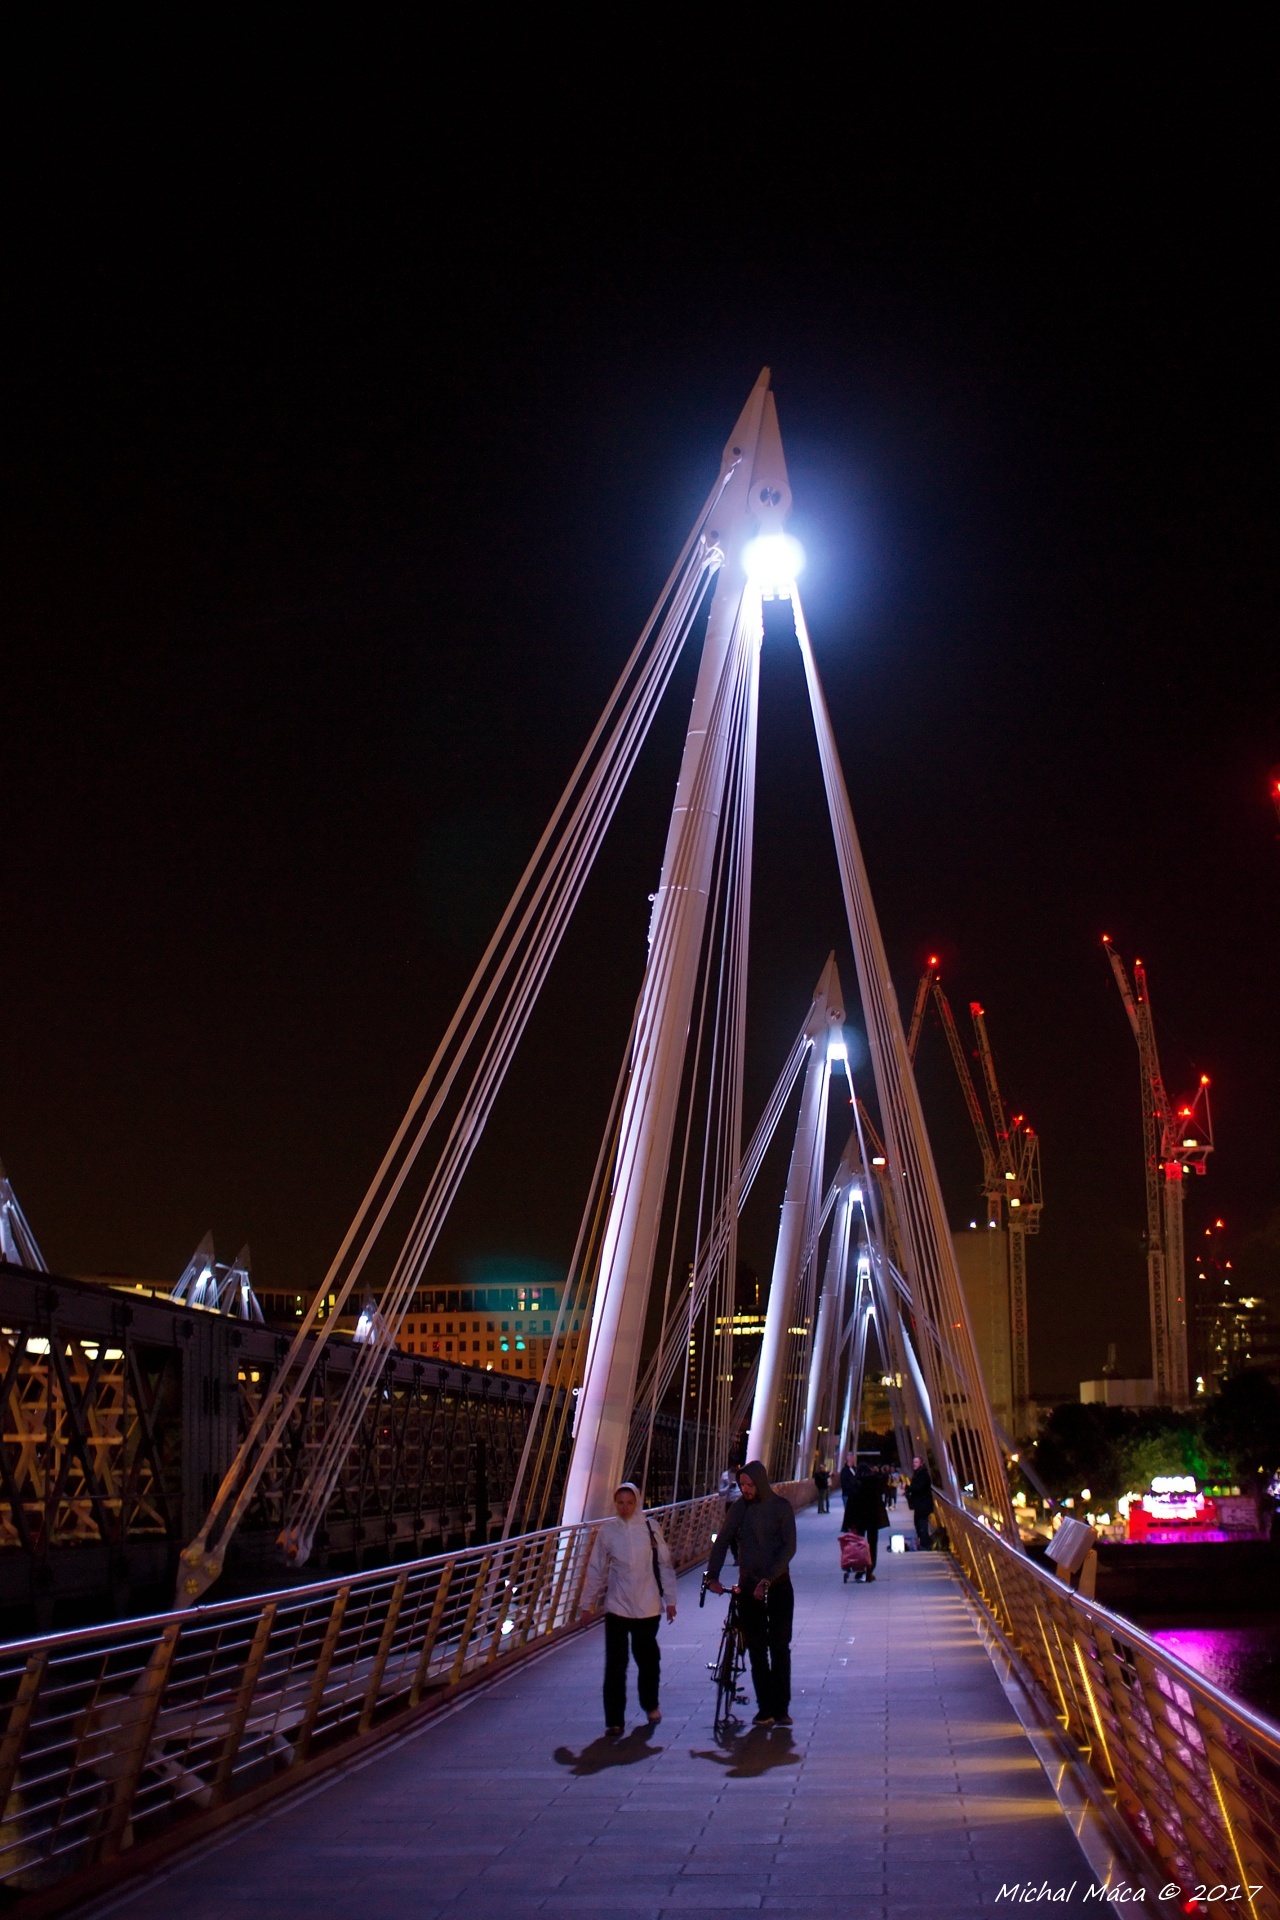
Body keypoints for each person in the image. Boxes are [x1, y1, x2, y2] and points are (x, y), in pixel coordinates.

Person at [580, 1481, 677, 1736]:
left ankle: (650, 1704)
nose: (625, 1508)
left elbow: (665, 1565)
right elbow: (597, 1568)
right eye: (620, 1503)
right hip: (618, 1607)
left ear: (637, 1503)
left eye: (629, 1503)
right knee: (615, 1665)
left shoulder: (649, 1528)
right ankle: (614, 1720)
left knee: (648, 1660)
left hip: (648, 1606)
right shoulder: (608, 1531)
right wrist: (586, 1603)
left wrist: (671, 1600)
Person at [705, 1461, 797, 1727]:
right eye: (741, 1485)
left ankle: (781, 1708)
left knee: (779, 1647)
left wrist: (768, 1579)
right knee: (756, 1649)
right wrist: (713, 1576)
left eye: (749, 1485)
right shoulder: (739, 1509)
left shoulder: (781, 1508)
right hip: (748, 1586)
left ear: (761, 1483)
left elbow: (788, 1548)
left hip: (778, 1586)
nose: (744, 1489)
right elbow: (722, 1541)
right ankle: (765, 1708)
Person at [844, 1466, 890, 1579]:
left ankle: (859, 1568)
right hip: (873, 1519)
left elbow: (851, 1504)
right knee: (872, 1544)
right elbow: (885, 1488)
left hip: (859, 1519)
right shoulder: (874, 1482)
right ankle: (870, 1568)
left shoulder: (856, 1483)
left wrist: (849, 1523)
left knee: (859, 1544)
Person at [908, 1455, 935, 1549]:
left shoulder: (923, 1474)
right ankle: (923, 1542)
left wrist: (908, 1488)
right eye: (913, 1462)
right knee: (918, 1523)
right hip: (920, 1504)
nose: (914, 1464)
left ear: (921, 1463)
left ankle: (925, 1544)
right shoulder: (919, 1473)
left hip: (923, 1504)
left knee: (922, 1523)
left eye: (916, 1462)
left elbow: (919, 1488)